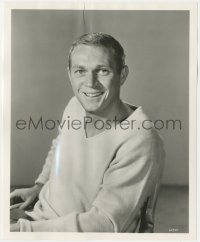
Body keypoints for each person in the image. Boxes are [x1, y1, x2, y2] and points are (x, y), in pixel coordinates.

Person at [10, 32, 165, 232]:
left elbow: (104, 225)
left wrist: (21, 231)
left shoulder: (140, 139)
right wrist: (40, 186)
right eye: (80, 71)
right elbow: (60, 146)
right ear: (69, 74)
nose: (90, 83)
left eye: (102, 70)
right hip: (37, 216)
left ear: (123, 74)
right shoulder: (75, 105)